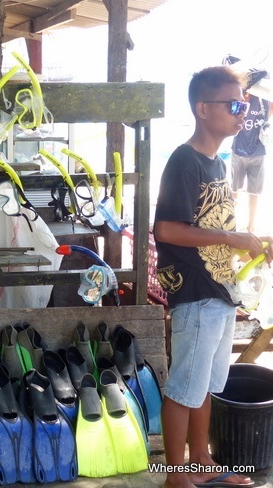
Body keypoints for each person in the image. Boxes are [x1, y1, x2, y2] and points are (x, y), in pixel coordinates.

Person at [154, 65, 273, 488]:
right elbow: (165, 230)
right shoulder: (184, 161)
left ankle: (201, 461)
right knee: (183, 387)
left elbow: (213, 229)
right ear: (203, 109)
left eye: (248, 105)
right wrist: (231, 235)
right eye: (236, 105)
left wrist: (250, 245)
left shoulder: (219, 166)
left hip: (221, 292)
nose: (245, 113)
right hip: (196, 292)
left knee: (204, 385)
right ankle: (175, 476)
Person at [231, 70, 271, 233]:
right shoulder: (240, 100)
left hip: (257, 152)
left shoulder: (265, 100)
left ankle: (251, 225)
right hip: (239, 151)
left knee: (254, 192)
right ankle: (232, 221)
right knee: (234, 191)